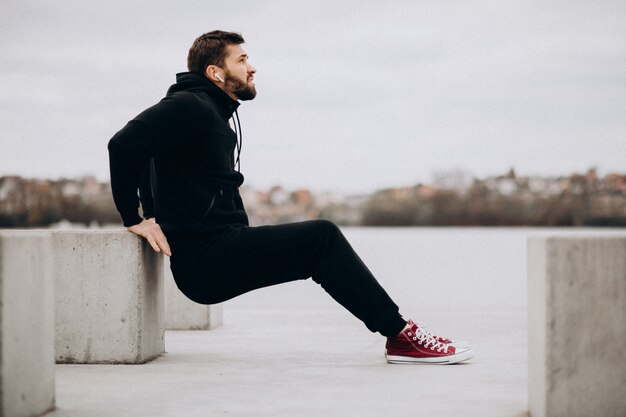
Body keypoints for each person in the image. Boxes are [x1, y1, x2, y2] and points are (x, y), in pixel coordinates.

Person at [107, 30, 473, 364]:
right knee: (322, 237)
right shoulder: (191, 106)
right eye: (242, 60)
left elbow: (146, 152)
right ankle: (401, 336)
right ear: (216, 73)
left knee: (318, 244)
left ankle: (399, 333)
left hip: (217, 251)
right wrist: (135, 218)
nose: (252, 68)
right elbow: (124, 145)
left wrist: (153, 211)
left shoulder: (205, 110)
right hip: (207, 259)